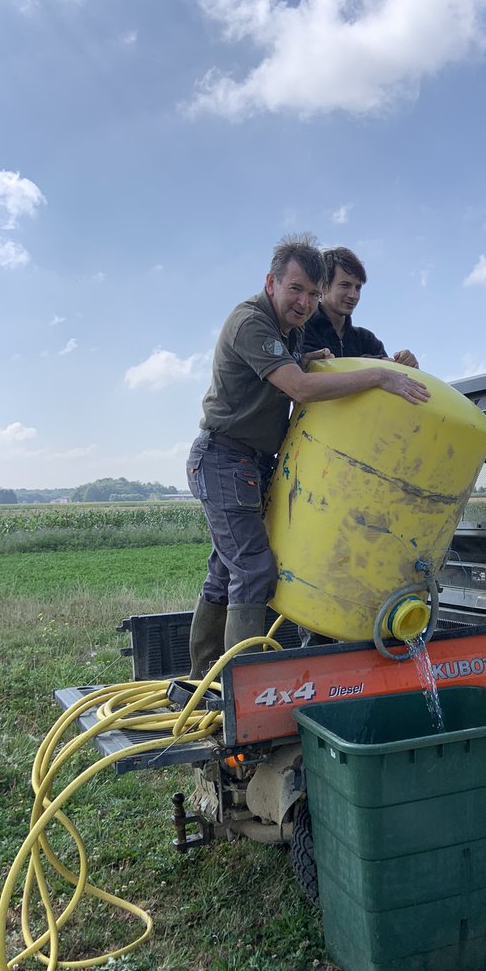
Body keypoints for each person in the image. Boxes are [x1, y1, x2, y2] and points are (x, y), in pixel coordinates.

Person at [185, 233, 429, 678]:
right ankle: (245, 695)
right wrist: (377, 376)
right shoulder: (251, 321)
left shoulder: (291, 329)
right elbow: (298, 387)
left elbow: (295, 366)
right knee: (255, 570)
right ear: (272, 281)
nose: (305, 301)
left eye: (314, 294)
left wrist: (313, 356)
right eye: (297, 289)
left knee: (226, 571)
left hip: (254, 463)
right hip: (224, 457)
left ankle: (207, 681)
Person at [302, 246, 419, 368]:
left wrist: (407, 365)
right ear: (324, 287)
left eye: (358, 287)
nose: (353, 295)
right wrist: (374, 364)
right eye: (345, 285)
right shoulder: (302, 330)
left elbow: (393, 380)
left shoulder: (367, 340)